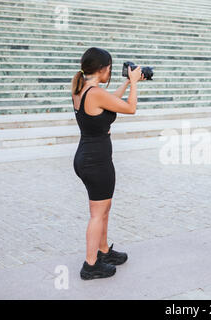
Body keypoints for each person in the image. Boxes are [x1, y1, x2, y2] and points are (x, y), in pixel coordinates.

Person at [71, 47, 145, 280]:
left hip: (88, 157)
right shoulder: (94, 92)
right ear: (103, 69)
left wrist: (125, 84)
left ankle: (103, 252)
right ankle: (90, 265)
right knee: (97, 213)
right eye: (110, 69)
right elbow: (130, 108)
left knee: (103, 209)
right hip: (96, 160)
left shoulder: (83, 88)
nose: (110, 72)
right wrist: (133, 83)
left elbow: (110, 101)